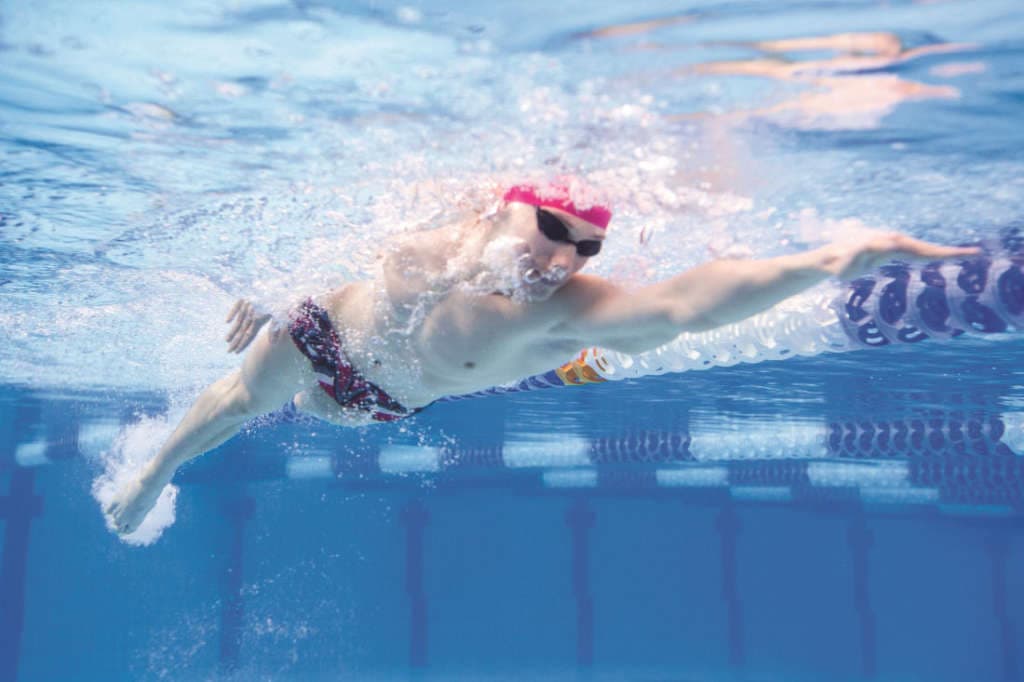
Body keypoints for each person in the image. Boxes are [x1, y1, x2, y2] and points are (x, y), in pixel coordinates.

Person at [105, 179, 978, 534]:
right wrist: (258, 300)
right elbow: (314, 262)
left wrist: (821, 264)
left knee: (318, 415)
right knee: (241, 402)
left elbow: (687, 305)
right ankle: (152, 474)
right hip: (322, 339)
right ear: (500, 212)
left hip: (383, 403)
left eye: (586, 247)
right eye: (551, 230)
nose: (562, 259)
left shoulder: (569, 313)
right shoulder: (424, 246)